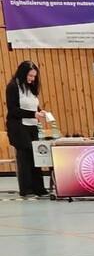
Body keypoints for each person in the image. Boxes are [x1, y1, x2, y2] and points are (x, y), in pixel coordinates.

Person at [5, 60, 48, 198]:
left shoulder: (31, 87)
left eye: (34, 76)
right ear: (22, 73)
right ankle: (27, 189)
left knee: (36, 157)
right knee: (24, 157)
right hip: (18, 127)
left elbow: (32, 106)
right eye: (30, 76)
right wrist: (33, 114)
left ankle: (39, 188)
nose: (32, 79)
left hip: (32, 126)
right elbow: (13, 110)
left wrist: (40, 112)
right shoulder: (12, 87)